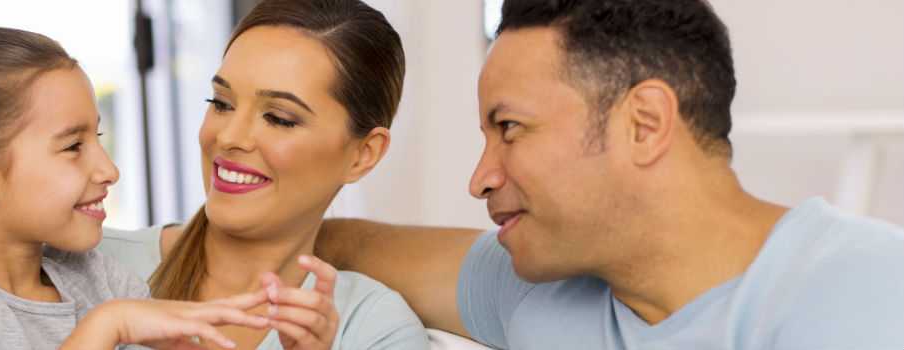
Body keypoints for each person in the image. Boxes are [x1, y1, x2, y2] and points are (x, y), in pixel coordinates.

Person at [314, 0, 904, 349]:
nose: (481, 178)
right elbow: (345, 245)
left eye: (511, 128)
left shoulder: (866, 291)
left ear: (644, 124)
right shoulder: (534, 288)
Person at [0, 27, 273, 350]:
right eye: (73, 146)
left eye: (98, 140)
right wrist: (108, 327)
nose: (109, 171)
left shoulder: (97, 278)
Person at [99, 0, 429, 349]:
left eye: (279, 118)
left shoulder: (374, 328)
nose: (228, 137)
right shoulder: (89, 266)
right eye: (221, 103)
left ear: (364, 154)